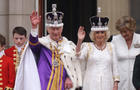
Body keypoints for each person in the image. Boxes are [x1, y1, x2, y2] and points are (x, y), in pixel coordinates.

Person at [29, 4, 82, 90]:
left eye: (58, 28)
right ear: (47, 29)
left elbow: (73, 62)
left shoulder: (68, 45)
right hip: (44, 84)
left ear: (62, 28)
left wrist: (69, 77)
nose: (55, 31)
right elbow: (33, 45)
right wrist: (34, 27)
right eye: (52, 29)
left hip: (62, 84)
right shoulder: (43, 43)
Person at [76, 13, 120, 90]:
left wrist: (115, 84)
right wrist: (79, 41)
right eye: (97, 32)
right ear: (93, 34)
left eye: (102, 32)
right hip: (91, 84)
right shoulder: (87, 46)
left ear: (106, 34)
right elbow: (78, 57)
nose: (100, 35)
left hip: (107, 84)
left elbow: (115, 67)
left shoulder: (111, 46)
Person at [112, 16, 140, 90]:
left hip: (137, 82)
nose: (123, 34)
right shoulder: (114, 40)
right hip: (120, 82)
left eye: (125, 31)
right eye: (121, 32)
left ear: (132, 29)